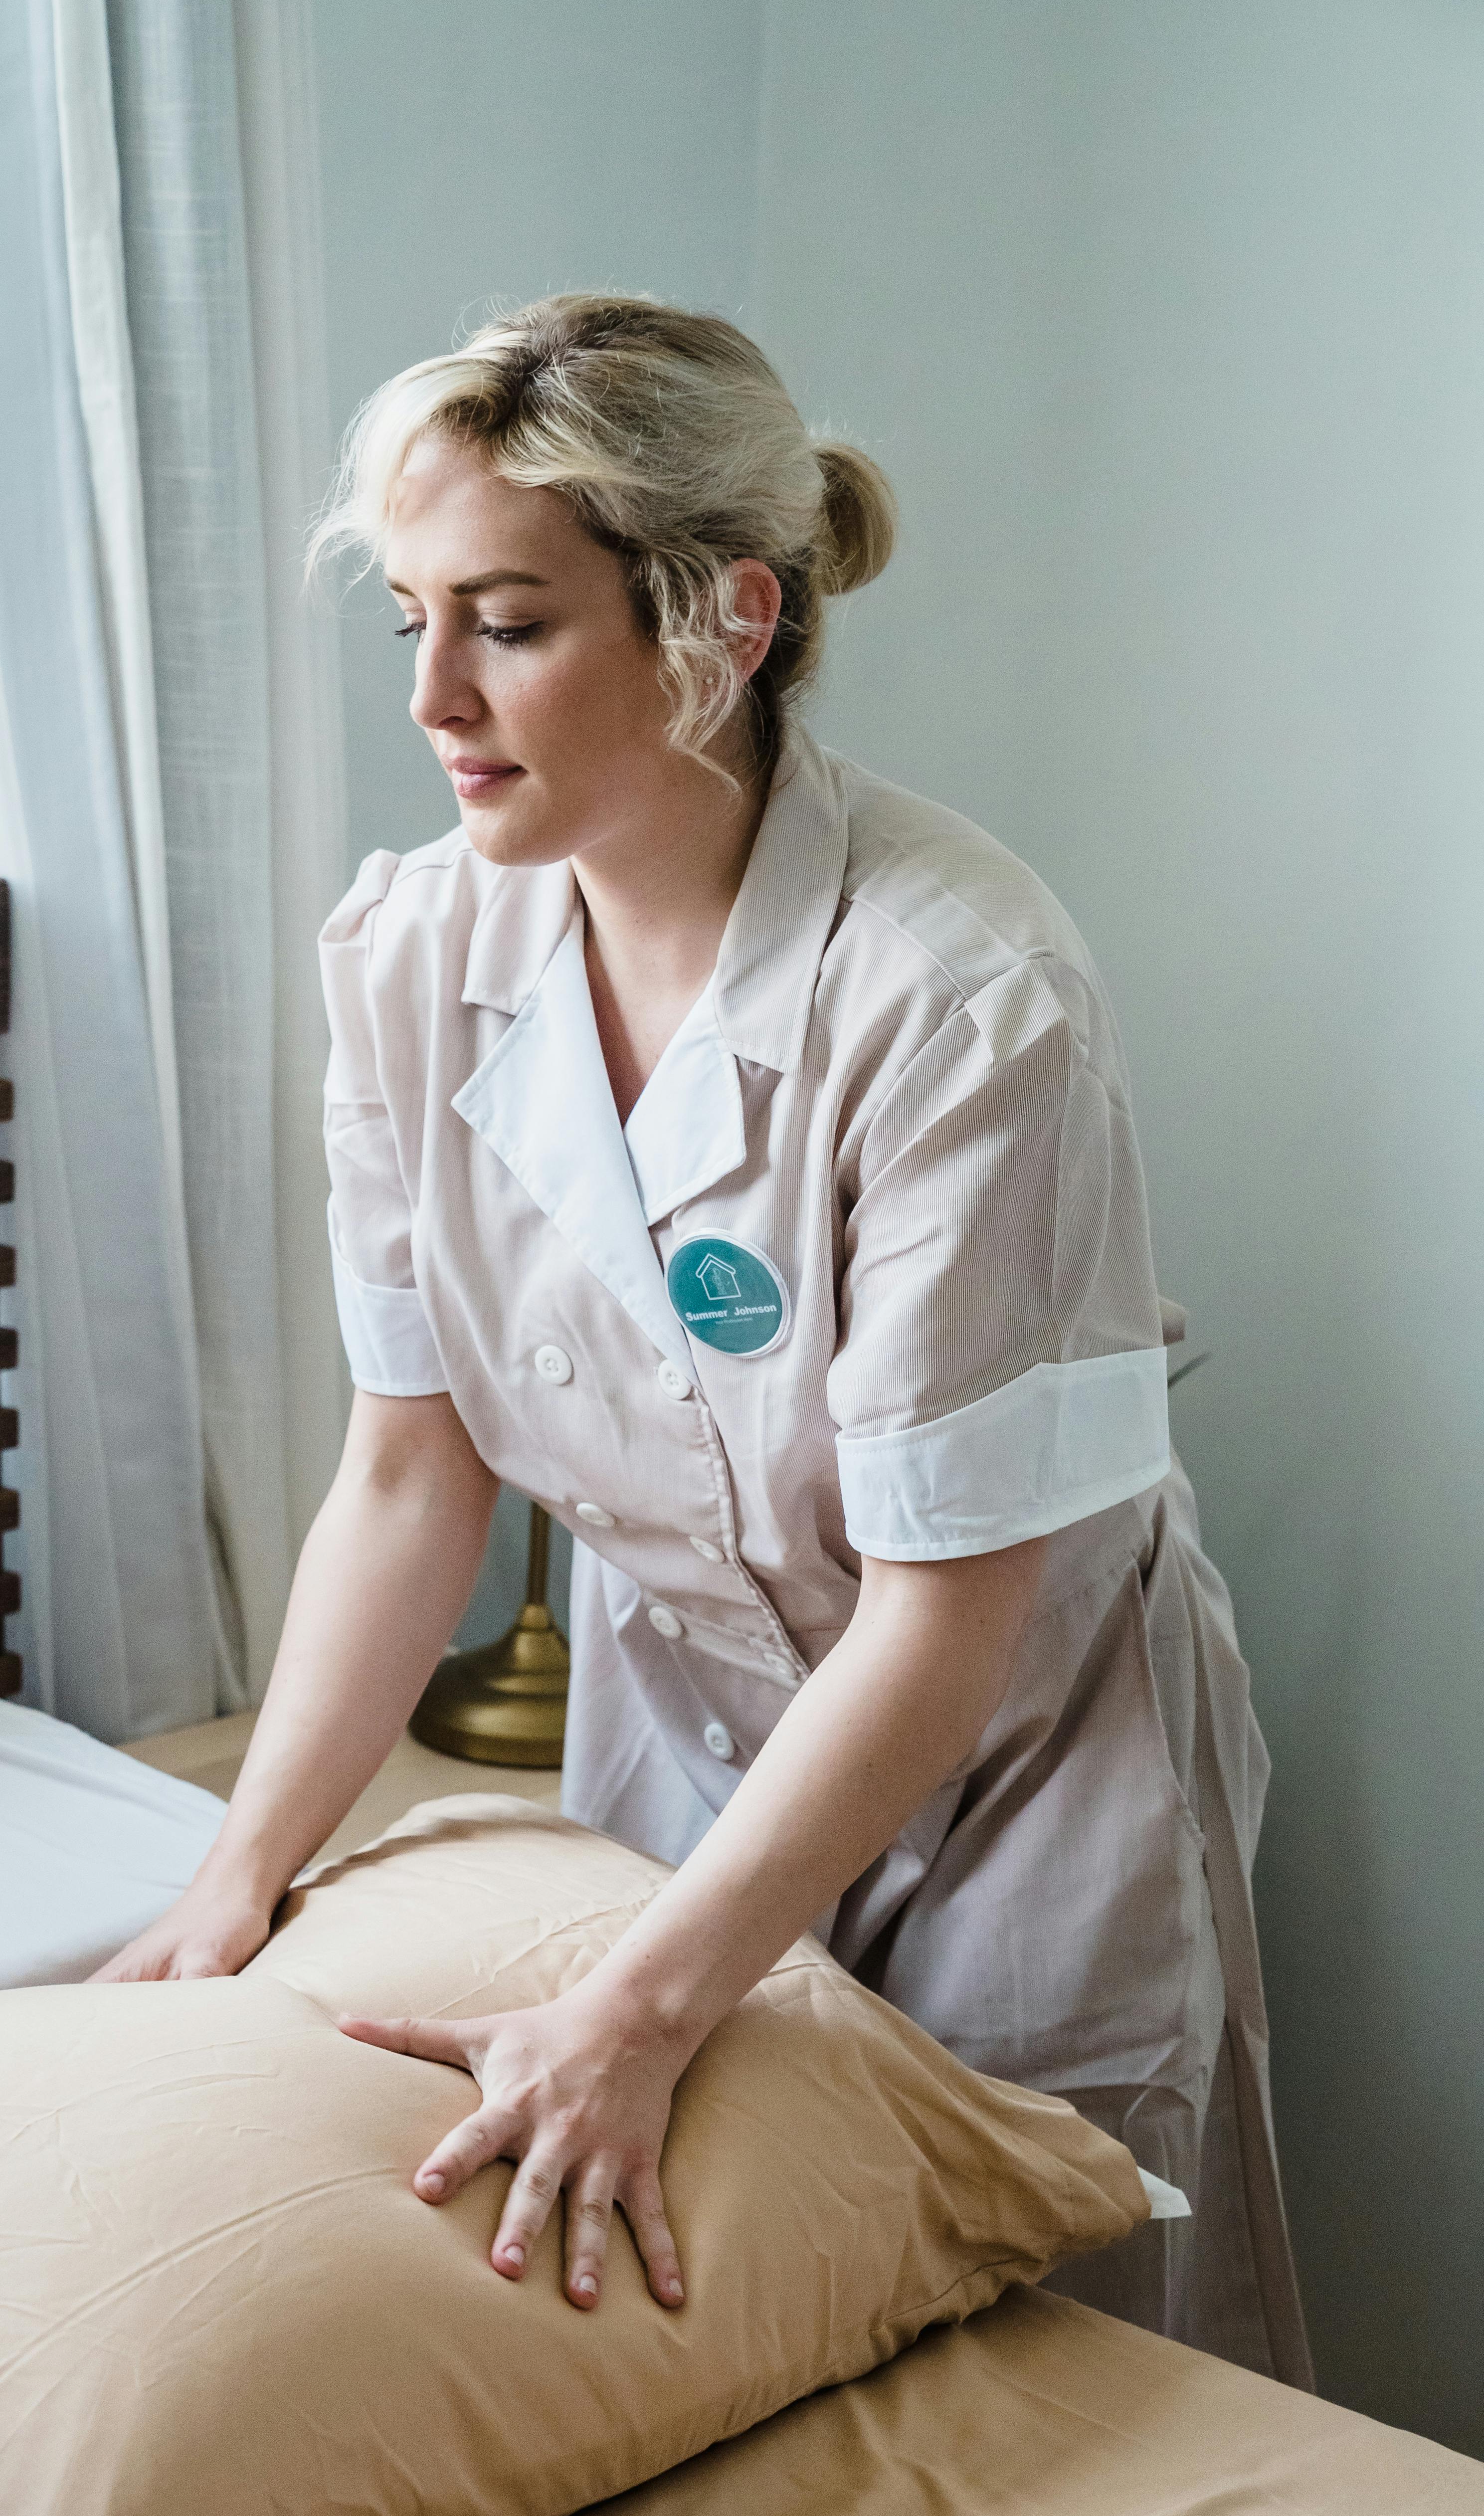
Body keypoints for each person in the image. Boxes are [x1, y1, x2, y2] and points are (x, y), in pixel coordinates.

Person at [94, 294, 1310, 2387]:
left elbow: (944, 1617)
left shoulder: (961, 992)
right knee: (690, 2340)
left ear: (720, 619)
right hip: (684, 1720)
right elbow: (411, 1468)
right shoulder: (410, 954)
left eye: (507, 623)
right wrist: (240, 1873)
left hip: (1021, 1764)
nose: (434, 697)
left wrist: (641, 2013)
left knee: (1056, 2370)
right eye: (407, 621)